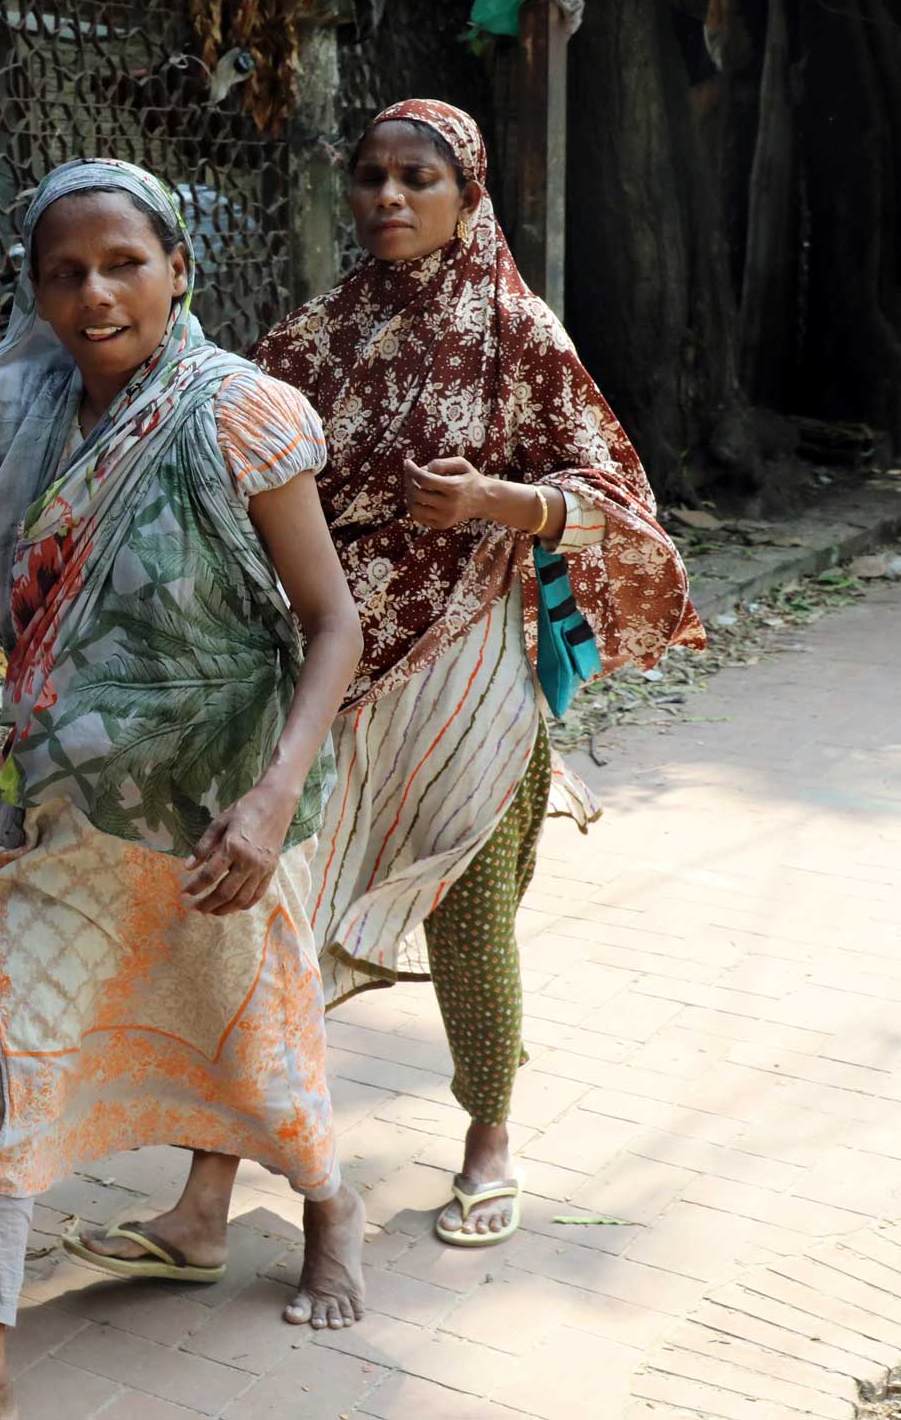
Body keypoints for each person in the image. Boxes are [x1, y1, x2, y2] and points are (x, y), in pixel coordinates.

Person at [0, 159, 369, 1420]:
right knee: (13, 1077)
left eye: (121, 264)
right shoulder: (19, 402)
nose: (93, 294)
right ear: (33, 294)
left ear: (178, 271)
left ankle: (328, 1205)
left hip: (226, 803)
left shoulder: (238, 414)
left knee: (250, 1035)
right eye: (63, 273)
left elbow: (331, 624)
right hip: (66, 807)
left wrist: (268, 803)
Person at [254, 101, 703, 1249]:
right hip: (328, 671)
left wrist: (493, 502)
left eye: (417, 177)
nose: (389, 198)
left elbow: (615, 509)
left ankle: (487, 1135)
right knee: (276, 907)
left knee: (468, 913)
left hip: (470, 670)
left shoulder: (518, 329)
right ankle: (234, 1170)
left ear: (468, 195)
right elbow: (242, 468)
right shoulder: (311, 335)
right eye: (369, 176)